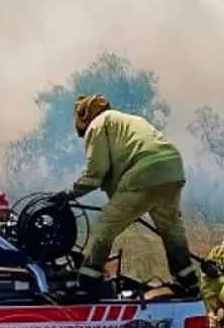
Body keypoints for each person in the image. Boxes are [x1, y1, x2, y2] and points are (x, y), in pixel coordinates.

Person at [52, 95, 197, 296]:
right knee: (171, 229)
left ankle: (86, 285)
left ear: (84, 117)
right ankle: (189, 283)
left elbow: (97, 173)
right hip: (172, 168)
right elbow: (118, 175)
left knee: (105, 226)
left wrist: (68, 194)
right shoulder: (128, 120)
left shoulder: (97, 125)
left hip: (145, 170)